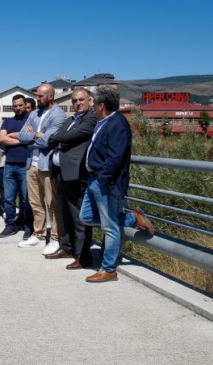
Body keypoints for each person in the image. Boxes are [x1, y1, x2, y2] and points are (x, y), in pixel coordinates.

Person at [81, 87, 154, 283]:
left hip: (106, 182)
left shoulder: (117, 124)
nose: (92, 107)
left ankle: (109, 269)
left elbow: (115, 157)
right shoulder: (102, 122)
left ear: (101, 105)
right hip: (94, 179)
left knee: (110, 227)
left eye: (93, 103)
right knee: (86, 216)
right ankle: (131, 218)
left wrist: (103, 180)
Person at [46, 88, 98, 269]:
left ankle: (83, 256)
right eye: (75, 101)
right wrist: (60, 137)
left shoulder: (91, 119)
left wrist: (60, 137)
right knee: (63, 213)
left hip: (76, 174)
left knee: (79, 216)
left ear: (90, 101)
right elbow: (52, 137)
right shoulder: (70, 120)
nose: (78, 103)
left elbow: (70, 135)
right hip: (61, 173)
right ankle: (66, 247)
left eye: (81, 100)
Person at [17, 84, 67, 254]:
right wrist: (36, 135)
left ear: (51, 96)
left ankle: (55, 238)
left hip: (47, 165)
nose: (37, 99)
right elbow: (21, 136)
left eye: (40, 96)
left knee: (52, 202)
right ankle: (38, 234)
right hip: (32, 163)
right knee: (35, 202)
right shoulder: (33, 114)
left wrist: (37, 138)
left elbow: (49, 140)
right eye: (37, 96)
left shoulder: (59, 115)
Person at [0, 94, 31, 238]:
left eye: (20, 105)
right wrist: (22, 139)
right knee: (9, 198)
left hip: (26, 165)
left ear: (25, 105)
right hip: (10, 164)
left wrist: (12, 136)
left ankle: (27, 225)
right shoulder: (7, 122)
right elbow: (1, 138)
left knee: (26, 199)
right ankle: (10, 225)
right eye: (15, 106)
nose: (18, 108)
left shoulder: (31, 120)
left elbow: (32, 137)